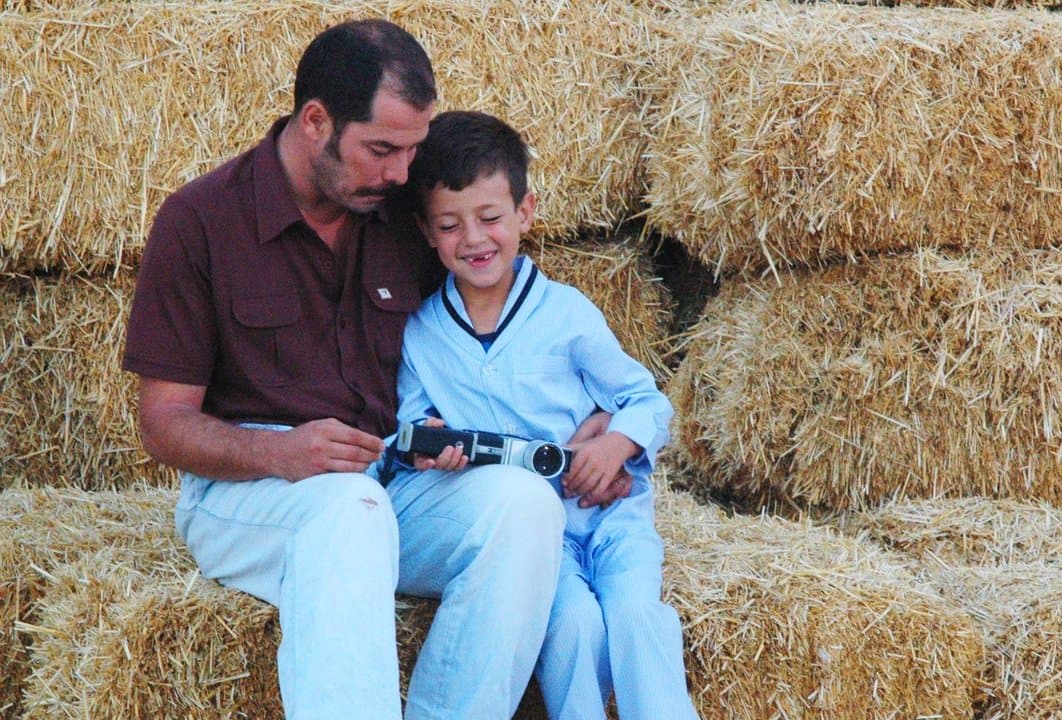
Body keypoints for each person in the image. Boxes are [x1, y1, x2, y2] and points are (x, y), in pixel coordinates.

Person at [122, 20, 629, 720]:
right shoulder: (201, 219)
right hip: (249, 494)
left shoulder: (406, 215)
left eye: (411, 151)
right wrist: (280, 451)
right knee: (347, 510)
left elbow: (499, 330)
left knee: (524, 506)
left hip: (390, 484)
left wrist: (594, 427)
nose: (400, 174)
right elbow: (162, 425)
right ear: (316, 121)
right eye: (381, 150)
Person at [390, 110, 700, 720]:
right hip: (538, 540)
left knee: (638, 617)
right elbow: (409, 425)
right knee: (573, 626)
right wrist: (428, 444)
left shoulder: (565, 313)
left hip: (613, 520)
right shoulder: (422, 333)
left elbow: (646, 400)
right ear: (426, 231)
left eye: (490, 218)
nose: (474, 239)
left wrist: (616, 446)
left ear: (525, 213)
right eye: (450, 225)